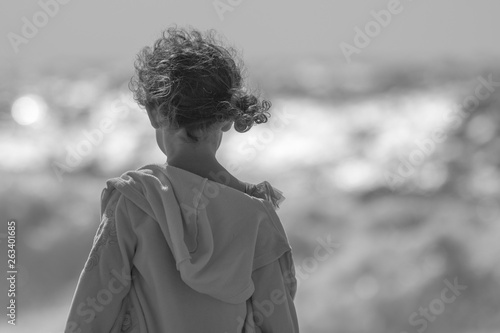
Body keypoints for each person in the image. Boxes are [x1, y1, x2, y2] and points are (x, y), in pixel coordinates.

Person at [65, 26, 299, 333]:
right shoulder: (257, 218)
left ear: (153, 112)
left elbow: (89, 316)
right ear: (227, 117)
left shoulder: (135, 202)